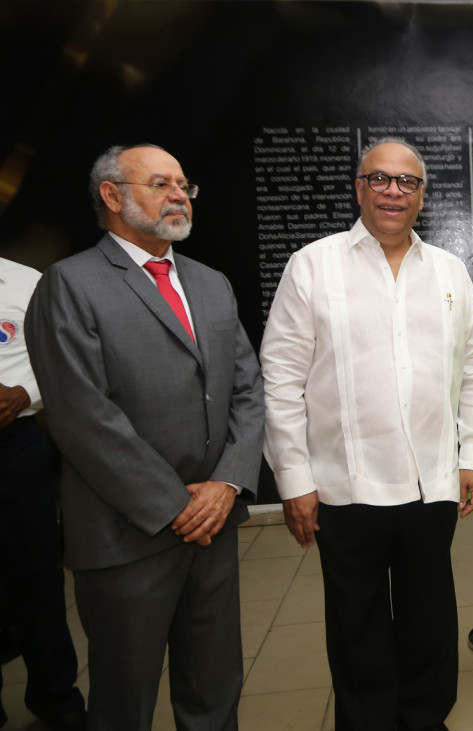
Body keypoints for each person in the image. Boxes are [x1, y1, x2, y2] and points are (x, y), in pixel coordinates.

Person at [24, 144, 264, 731]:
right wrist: (176, 504)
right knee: (123, 699)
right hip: (126, 534)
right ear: (112, 195)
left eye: (184, 185)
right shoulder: (70, 285)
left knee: (215, 690)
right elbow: (82, 416)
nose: (180, 195)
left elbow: (247, 393)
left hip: (213, 525)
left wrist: (227, 484)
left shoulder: (210, 284)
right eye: (161, 184)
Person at [261, 138, 473, 730]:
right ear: (359, 187)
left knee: (428, 619)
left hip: (430, 485)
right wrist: (294, 479)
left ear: (422, 195)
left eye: (407, 182)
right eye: (380, 179)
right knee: (355, 621)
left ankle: (423, 719)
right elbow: (281, 379)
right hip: (344, 488)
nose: (394, 191)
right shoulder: (312, 265)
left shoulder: (448, 270)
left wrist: (472, 456)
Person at [0, 256, 87, 731]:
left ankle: (56, 698)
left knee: (36, 575)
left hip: (17, 442)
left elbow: (58, 354)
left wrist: (23, 392)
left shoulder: (26, 281)